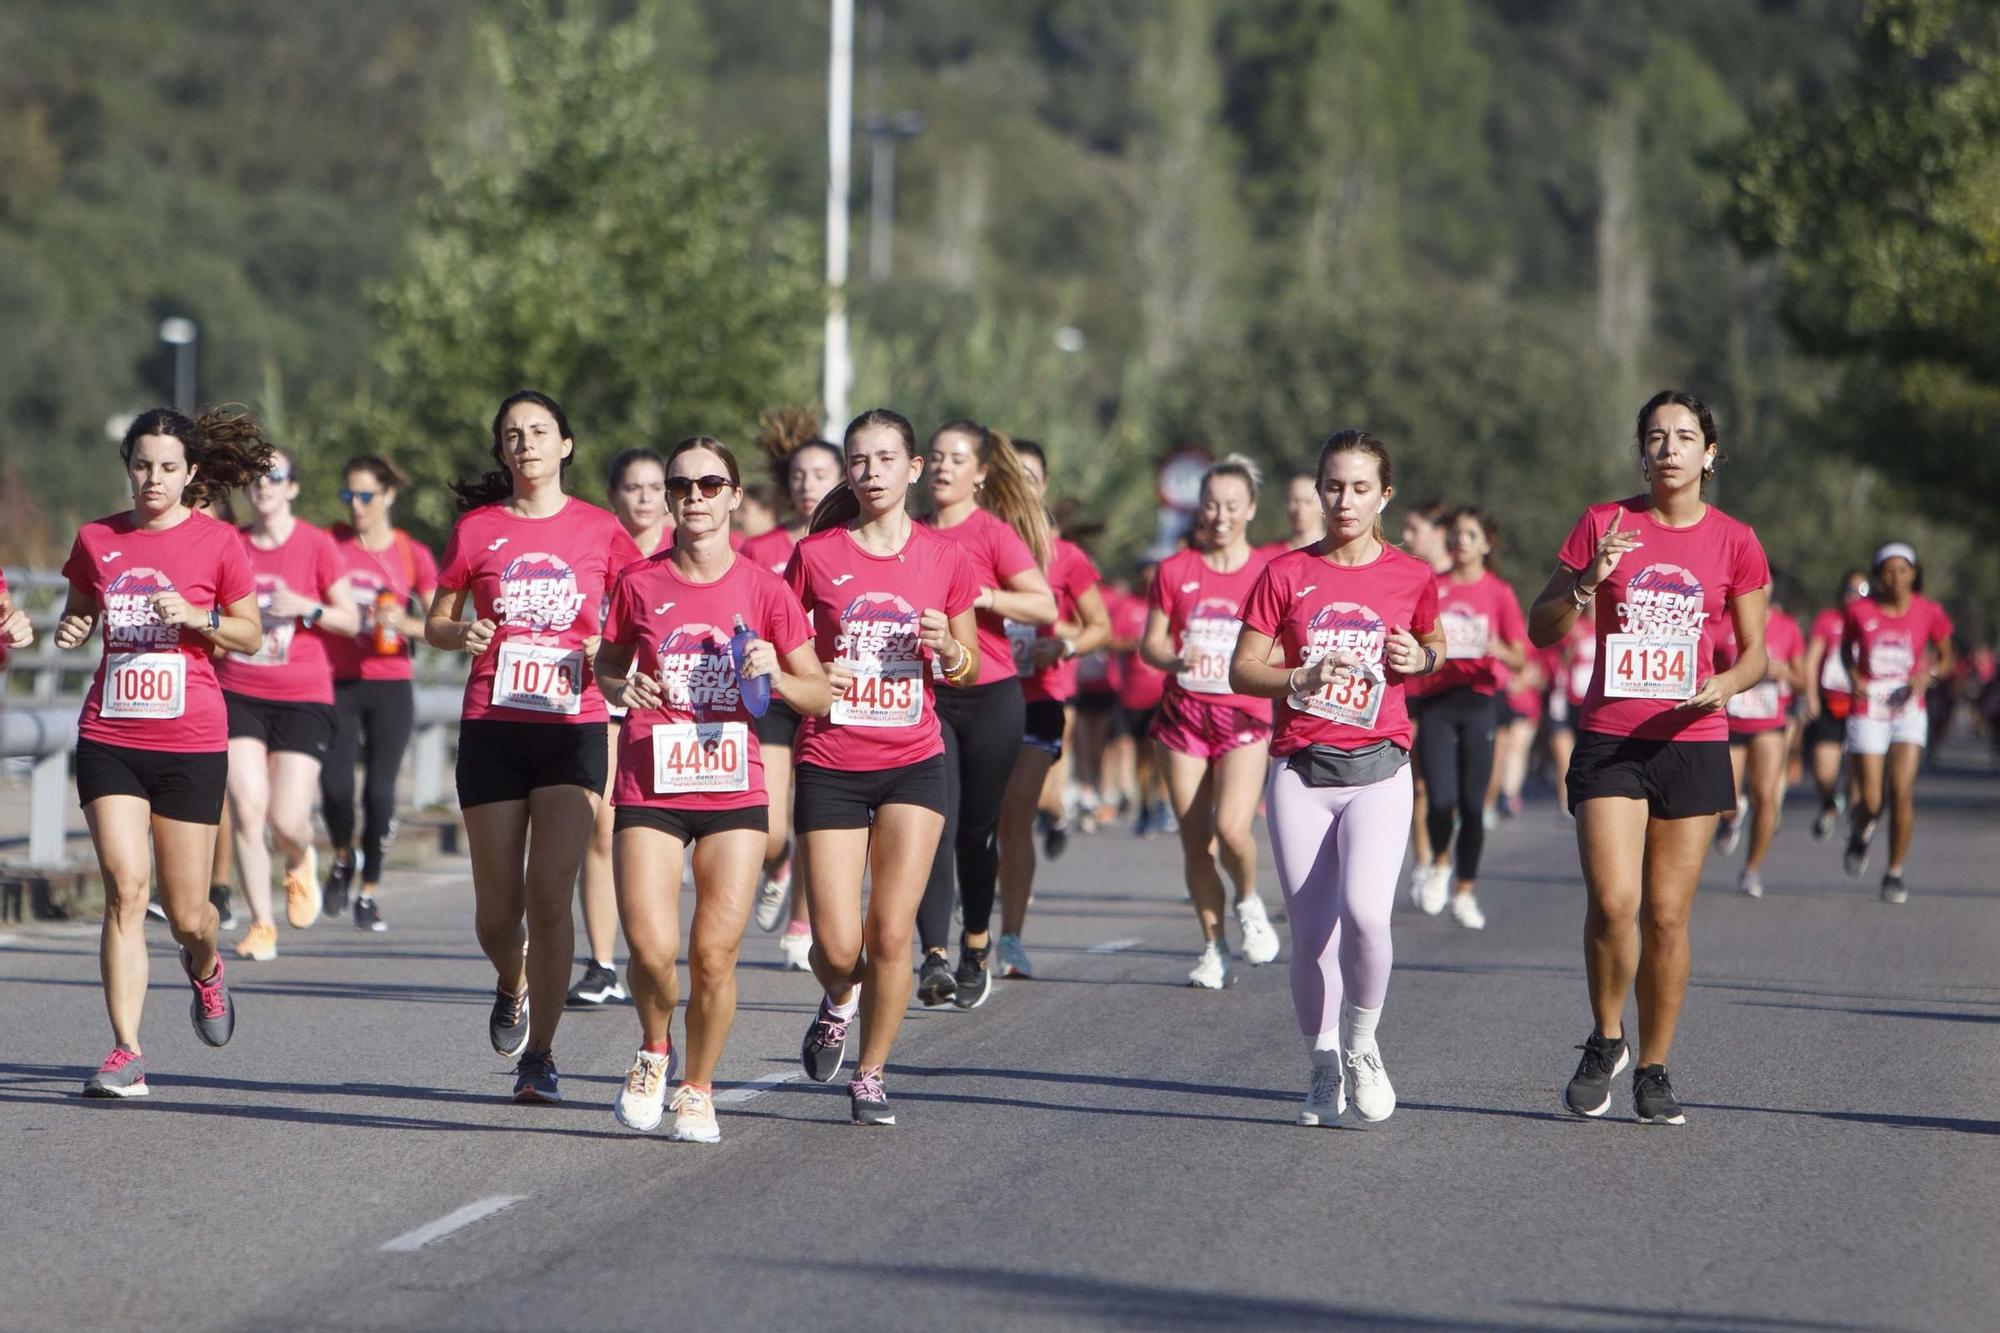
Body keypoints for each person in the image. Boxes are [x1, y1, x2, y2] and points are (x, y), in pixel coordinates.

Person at [1528, 390, 1770, 1127]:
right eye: (1657, 435)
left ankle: (1656, 1067)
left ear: (1710, 454)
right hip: (1612, 737)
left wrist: (1725, 683)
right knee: (1614, 901)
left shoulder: (1734, 540)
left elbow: (1757, 654)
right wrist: (1587, 580)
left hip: (1691, 741)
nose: (1669, 447)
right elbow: (1543, 628)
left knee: (1666, 916)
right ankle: (1606, 1039)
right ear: (1642, 450)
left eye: (1685, 435)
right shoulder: (1606, 523)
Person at [595, 436, 828, 1142]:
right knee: (649, 947)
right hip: (651, 778)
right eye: (682, 486)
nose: (694, 496)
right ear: (669, 498)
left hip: (732, 788)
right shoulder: (638, 582)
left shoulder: (767, 588)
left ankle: (697, 1086)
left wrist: (779, 675)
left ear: (733, 496)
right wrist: (619, 683)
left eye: (709, 484)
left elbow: (816, 692)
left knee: (714, 954)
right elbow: (606, 665)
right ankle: (653, 1048)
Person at [426, 390, 642, 1103]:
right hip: (493, 723)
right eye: (513, 434)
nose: (525, 443)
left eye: (539, 431)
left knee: (552, 895)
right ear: (502, 452)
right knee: (498, 915)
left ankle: (541, 1054)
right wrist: (463, 633)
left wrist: (604, 645)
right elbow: (436, 619)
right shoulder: (476, 530)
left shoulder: (603, 530)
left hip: (573, 726)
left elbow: (640, 611)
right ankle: (510, 978)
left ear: (566, 445)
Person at [1230, 429, 1444, 1126]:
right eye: (1332, 486)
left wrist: (1422, 656)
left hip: (1380, 767)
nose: (1344, 500)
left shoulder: (1412, 576)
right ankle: (1322, 1064)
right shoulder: (1285, 574)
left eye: (1359, 488)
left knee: (1368, 915)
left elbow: (1431, 644)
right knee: (1312, 932)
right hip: (1301, 771)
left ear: (1386, 494)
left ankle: (1360, 1045)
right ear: (1317, 490)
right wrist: (1298, 675)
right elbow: (1242, 667)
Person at [57, 406, 273, 1097]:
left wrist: (197, 616)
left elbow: (251, 635)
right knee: (125, 888)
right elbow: (82, 607)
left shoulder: (218, 544)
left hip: (190, 741)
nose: (153, 478)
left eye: (168, 467)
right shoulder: (97, 538)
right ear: (128, 467)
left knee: (188, 916)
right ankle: (127, 1049)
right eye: (142, 465)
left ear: (191, 474)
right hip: (110, 734)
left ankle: (206, 970)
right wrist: (71, 627)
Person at [786, 407, 981, 1125]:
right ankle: (839, 998)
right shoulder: (817, 556)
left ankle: (871, 1072)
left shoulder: (944, 558)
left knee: (890, 933)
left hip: (913, 761)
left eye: (886, 458)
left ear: (913, 469)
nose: (871, 472)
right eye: (860, 460)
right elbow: (783, 642)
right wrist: (811, 666)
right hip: (831, 759)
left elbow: (967, 666)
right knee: (838, 946)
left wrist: (946, 649)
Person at [913, 419, 1057, 1009]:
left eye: (957, 458)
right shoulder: (909, 534)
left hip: (992, 694)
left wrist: (986, 596)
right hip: (929, 695)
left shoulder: (992, 534)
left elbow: (1044, 604)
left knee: (976, 831)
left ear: (980, 473)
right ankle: (934, 957)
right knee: (932, 827)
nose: (944, 467)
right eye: (936, 457)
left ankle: (976, 941)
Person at [214, 446, 361, 961]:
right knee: (247, 808)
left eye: (274, 476)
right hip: (239, 689)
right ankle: (261, 924)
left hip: (302, 695)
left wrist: (309, 607)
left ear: (292, 487)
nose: (264, 485)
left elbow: (352, 620)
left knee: (285, 818)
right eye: (255, 477)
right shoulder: (232, 543)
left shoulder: (318, 545)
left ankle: (300, 858)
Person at [1141, 457, 1282, 988]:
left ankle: (1248, 902)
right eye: (1211, 504)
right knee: (1196, 841)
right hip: (1183, 718)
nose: (1220, 515)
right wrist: (1175, 658)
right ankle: (1213, 947)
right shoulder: (1176, 570)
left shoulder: (1269, 570)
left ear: (1250, 509)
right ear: (1198, 508)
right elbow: (1150, 644)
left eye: (1231, 505)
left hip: (1243, 715)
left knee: (1231, 829)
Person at [993, 441, 1111, 979]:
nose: (1020, 484)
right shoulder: (971, 545)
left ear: (1044, 484)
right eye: (1009, 475)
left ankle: (1010, 936)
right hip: (976, 696)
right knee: (972, 823)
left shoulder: (1066, 557)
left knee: (1016, 816)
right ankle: (967, 912)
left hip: (1039, 696)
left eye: (1030, 476)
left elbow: (1100, 628)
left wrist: (1062, 646)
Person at [567, 447, 670, 1009]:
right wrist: (592, 645)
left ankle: (659, 952)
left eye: (657, 487)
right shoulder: (592, 546)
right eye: (634, 487)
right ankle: (602, 963)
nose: (647, 498)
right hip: (605, 696)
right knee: (602, 827)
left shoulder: (689, 551)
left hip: (676, 712)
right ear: (614, 496)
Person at [321, 455, 439, 932]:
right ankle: (343, 856)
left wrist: (403, 622)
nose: (356, 506)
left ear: (389, 496)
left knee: (380, 793)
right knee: (335, 787)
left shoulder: (412, 553)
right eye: (349, 496)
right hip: (336, 679)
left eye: (366, 496)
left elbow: (439, 626)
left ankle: (369, 890)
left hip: (390, 684)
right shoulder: (330, 544)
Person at [748, 413, 845, 971]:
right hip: (775, 694)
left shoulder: (848, 546)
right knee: (772, 827)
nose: (809, 484)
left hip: (830, 695)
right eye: (801, 475)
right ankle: (778, 862)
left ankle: (803, 922)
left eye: (821, 473)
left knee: (818, 818)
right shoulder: (760, 547)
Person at [1406, 506, 1527, 928]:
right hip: (1437, 701)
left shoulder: (1499, 592)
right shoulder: (1432, 586)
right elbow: (1413, 635)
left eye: (1470, 535)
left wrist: (1497, 649)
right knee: (1438, 797)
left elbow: (1521, 658)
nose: (1460, 542)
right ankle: (1440, 862)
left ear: (1486, 544)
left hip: (1479, 702)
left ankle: (1465, 891)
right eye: (1455, 535)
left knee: (1473, 805)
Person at [1841, 542, 1954, 902]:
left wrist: (1929, 676)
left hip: (1907, 708)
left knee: (1902, 792)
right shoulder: (1860, 612)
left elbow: (1946, 657)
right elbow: (1847, 650)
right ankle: (1861, 831)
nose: (1896, 577)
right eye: (1888, 571)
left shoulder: (1929, 612)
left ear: (1914, 573)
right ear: (1877, 576)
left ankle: (1894, 872)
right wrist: (1854, 677)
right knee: (1872, 800)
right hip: (1870, 707)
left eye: (1903, 570)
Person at [1716, 594, 1805, 897]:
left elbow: (1803, 681)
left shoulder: (1787, 627)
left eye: (1766, 584)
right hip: (1730, 721)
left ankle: (1752, 869)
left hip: (1769, 722)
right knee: (1723, 796)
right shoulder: (1722, 623)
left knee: (1766, 796)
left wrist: (1785, 673)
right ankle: (1730, 818)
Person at [1398, 499, 1453, 901]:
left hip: (1449, 699)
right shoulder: (1402, 575)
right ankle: (1423, 862)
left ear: (1437, 533)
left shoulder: (1462, 579)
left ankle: (1444, 861)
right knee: (1416, 785)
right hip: (1407, 694)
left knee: (1442, 788)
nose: (1406, 538)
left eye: (1414, 529)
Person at [1801, 569, 1868, 841]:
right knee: (1823, 770)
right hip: (1829, 702)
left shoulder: (1873, 620)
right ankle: (1829, 801)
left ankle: (1856, 826)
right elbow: (1811, 659)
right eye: (1850, 591)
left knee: (1857, 772)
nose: (1854, 597)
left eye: (1862, 592)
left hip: (1860, 706)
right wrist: (1811, 695)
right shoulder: (1828, 621)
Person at [1258, 471, 1326, 558]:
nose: (1300, 510)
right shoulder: (1265, 557)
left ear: (1324, 505)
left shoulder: (1339, 554)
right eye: (1294, 501)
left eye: (1308, 502)